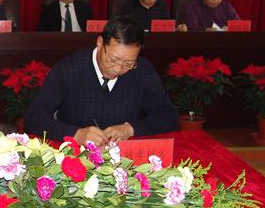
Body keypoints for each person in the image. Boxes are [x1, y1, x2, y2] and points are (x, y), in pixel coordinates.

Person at [24, 16, 178, 146]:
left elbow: (169, 117)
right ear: (100, 43)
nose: (118, 69)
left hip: (124, 158)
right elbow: (33, 118)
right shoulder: (68, 69)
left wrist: (131, 129)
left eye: (129, 64)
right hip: (74, 157)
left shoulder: (142, 70)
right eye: (113, 59)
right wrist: (75, 134)